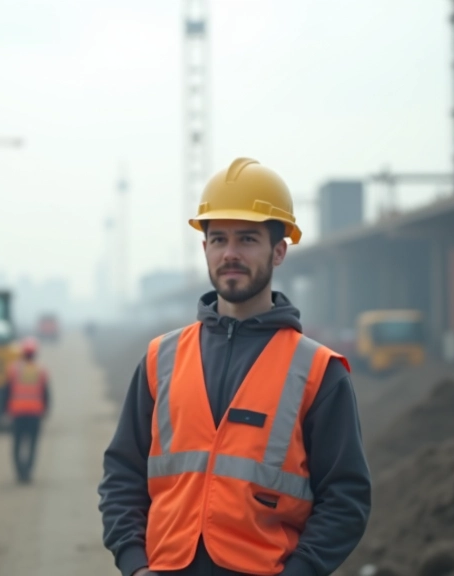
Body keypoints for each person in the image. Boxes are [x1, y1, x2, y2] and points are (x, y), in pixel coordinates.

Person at [97, 158, 372, 576]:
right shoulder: (160, 359)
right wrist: (134, 563)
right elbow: (123, 473)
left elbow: (346, 497)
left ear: (279, 251)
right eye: (218, 239)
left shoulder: (317, 371)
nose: (230, 254)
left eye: (247, 239)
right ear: (204, 247)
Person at [3, 336, 50, 484]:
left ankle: (19, 473)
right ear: (35, 353)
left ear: (22, 353)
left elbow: (6, 391)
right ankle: (28, 472)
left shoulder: (13, 369)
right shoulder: (41, 370)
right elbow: (45, 393)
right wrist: (46, 409)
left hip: (17, 413)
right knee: (32, 445)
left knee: (17, 445)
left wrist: (4, 408)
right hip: (35, 414)